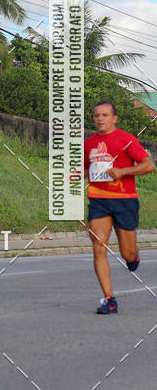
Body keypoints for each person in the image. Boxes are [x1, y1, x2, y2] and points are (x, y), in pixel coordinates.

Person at [84, 101, 154, 314]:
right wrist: (78, 174)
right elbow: (87, 167)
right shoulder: (89, 143)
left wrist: (123, 172)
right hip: (98, 199)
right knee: (98, 245)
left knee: (127, 253)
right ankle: (109, 299)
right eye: (97, 115)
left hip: (124, 200)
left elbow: (148, 165)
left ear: (114, 118)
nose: (100, 119)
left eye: (105, 115)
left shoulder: (126, 139)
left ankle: (134, 255)